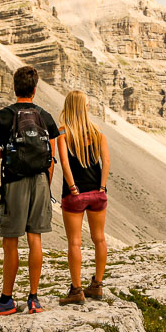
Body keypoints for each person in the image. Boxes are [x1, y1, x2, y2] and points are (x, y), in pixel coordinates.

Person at [0, 66, 63, 317]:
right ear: (35, 89)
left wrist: (9, 151)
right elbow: (51, 157)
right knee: (35, 238)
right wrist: (46, 187)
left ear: (14, 87)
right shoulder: (45, 117)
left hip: (14, 182)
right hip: (40, 181)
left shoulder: (4, 116)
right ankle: (34, 299)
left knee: (11, 242)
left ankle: (7, 300)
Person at [56, 91, 110, 305]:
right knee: (99, 239)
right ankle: (97, 285)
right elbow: (106, 161)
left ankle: (76, 290)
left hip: (74, 195)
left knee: (75, 243)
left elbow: (64, 163)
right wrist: (102, 187)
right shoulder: (97, 132)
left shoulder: (63, 133)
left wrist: (72, 186)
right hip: (97, 194)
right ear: (83, 107)